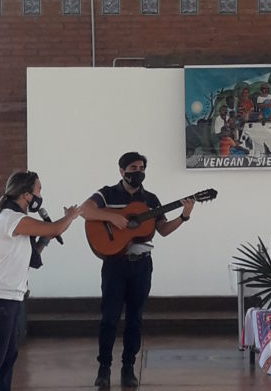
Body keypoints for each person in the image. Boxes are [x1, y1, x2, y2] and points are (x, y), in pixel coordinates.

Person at [80, 151, 195, 388]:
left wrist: (184, 216)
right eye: (132, 168)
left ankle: (128, 367)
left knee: (135, 319)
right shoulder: (107, 193)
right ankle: (103, 369)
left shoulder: (150, 200)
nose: (137, 172)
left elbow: (162, 229)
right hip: (114, 265)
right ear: (122, 171)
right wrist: (113, 219)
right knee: (109, 318)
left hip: (141, 265)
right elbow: (85, 211)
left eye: (141, 168)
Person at [0, 171, 81, 391]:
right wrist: (70, 216)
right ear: (26, 195)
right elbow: (55, 227)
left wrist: (46, 239)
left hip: (9, 298)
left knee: (6, 359)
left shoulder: (18, 221)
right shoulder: (11, 219)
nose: (40, 195)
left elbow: (32, 259)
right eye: (38, 190)